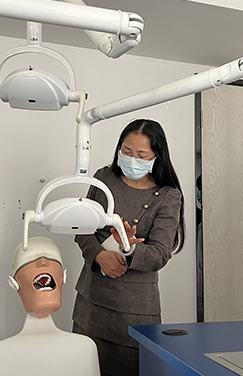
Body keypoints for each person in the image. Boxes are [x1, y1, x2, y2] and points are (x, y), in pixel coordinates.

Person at [72, 119, 185, 376]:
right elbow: (82, 228)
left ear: (157, 156)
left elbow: (160, 253)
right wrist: (98, 255)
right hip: (92, 301)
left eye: (141, 155)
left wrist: (129, 249)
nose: (133, 160)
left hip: (134, 310)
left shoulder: (168, 196)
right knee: (83, 366)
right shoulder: (104, 178)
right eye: (126, 151)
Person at [0, 237, 100, 376]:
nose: (43, 262)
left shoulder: (85, 348)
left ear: (63, 277)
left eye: (51, 257)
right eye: (30, 259)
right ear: (14, 283)